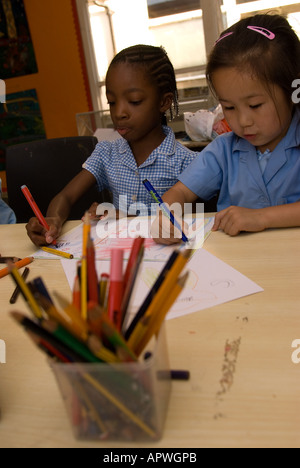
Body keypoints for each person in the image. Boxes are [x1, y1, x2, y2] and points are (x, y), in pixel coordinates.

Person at [25, 44, 196, 246]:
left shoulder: (188, 162)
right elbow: (66, 196)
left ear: (164, 102)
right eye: (112, 102)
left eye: (134, 101)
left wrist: (123, 216)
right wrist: (53, 219)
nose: (119, 113)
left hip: (168, 259)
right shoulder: (107, 153)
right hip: (118, 258)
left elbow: (193, 221)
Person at [152, 13, 300, 244]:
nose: (242, 120)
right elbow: (180, 192)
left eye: (255, 105)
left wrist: (261, 217)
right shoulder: (223, 150)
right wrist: (166, 215)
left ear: (293, 91)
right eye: (229, 106)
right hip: (234, 270)